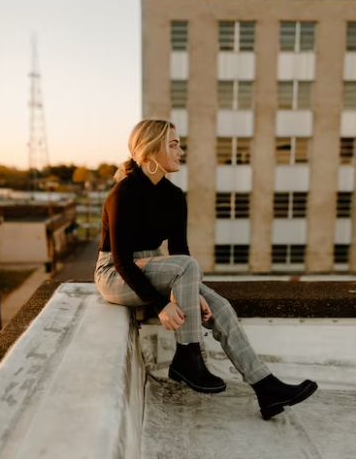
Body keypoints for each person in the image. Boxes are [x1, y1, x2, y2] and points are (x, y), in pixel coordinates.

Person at [94, 119, 318, 420]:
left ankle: (266, 388)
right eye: (173, 144)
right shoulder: (123, 194)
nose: (180, 151)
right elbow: (121, 259)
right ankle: (188, 356)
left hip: (160, 266)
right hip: (115, 273)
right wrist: (161, 304)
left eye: (179, 144)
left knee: (220, 307)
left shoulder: (174, 196)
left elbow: (180, 253)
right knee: (186, 269)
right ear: (149, 151)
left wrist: (189, 292)